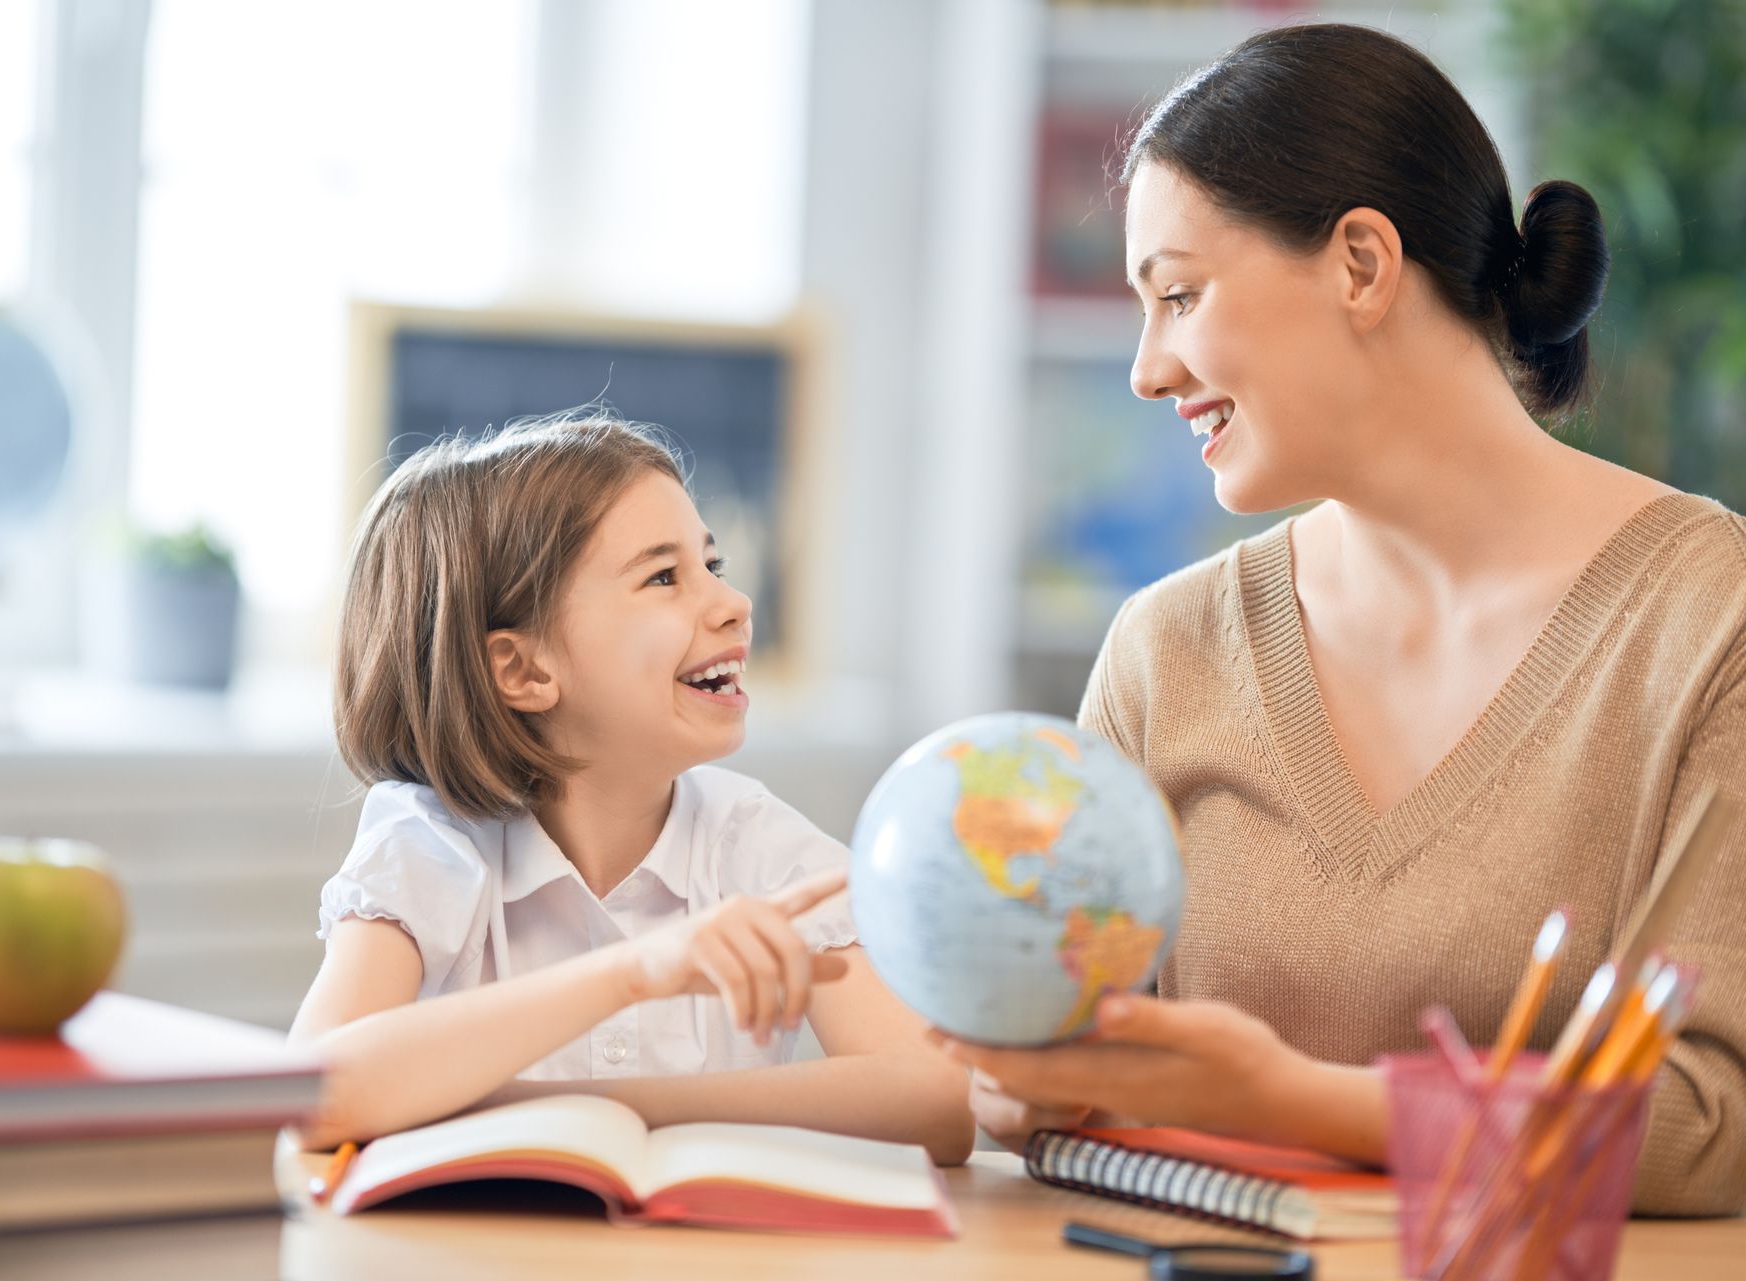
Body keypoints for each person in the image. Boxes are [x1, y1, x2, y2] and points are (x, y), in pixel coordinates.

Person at [933, 22, 1746, 1216]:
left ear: (1362, 264)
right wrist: (1023, 1087)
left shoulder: (1707, 618)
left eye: (1180, 295)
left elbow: (1704, 1125)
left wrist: (1289, 1098)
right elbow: (1054, 1065)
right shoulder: (1166, 650)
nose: (1147, 369)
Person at [290, 415, 974, 1165]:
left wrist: (592, 1109)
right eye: (663, 576)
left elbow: (937, 1097)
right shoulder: (430, 844)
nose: (733, 601)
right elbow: (312, 1093)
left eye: (711, 563)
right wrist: (631, 972)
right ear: (522, 671)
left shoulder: (757, 844)